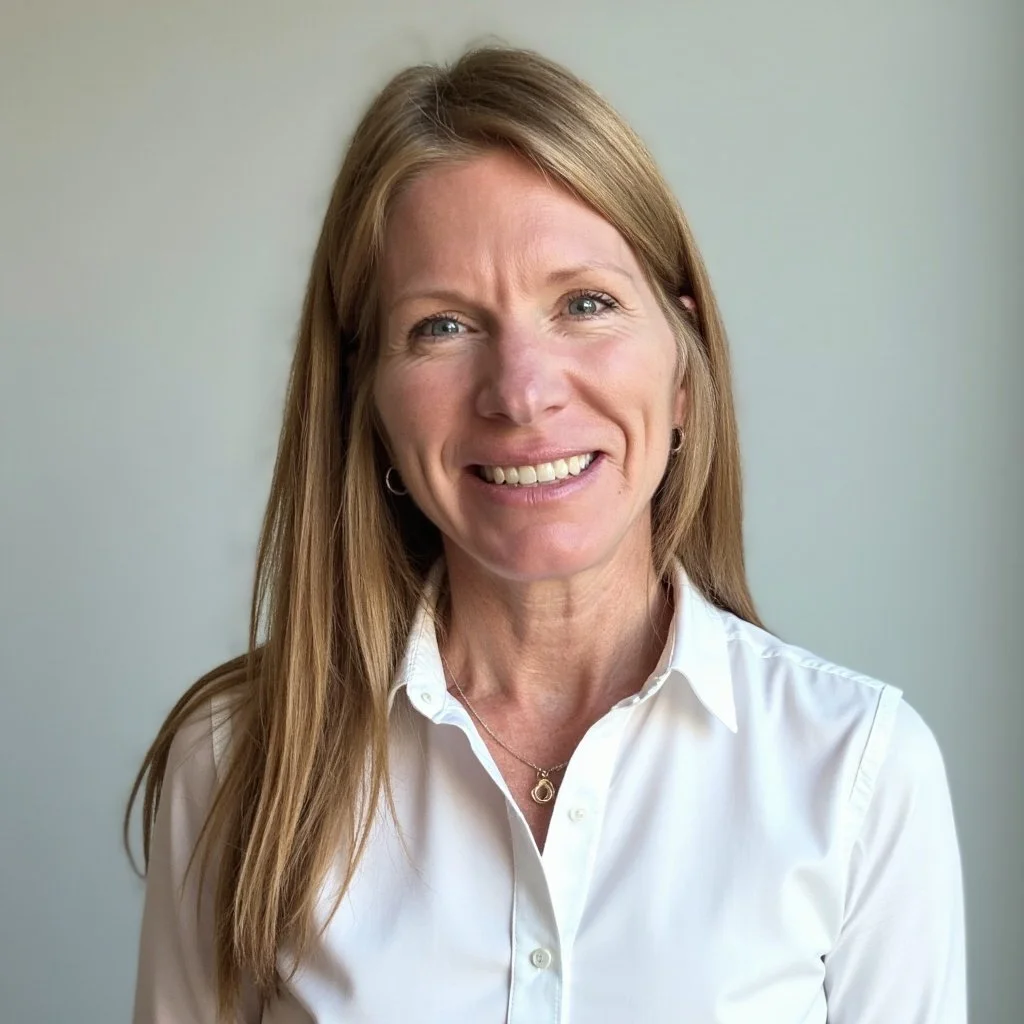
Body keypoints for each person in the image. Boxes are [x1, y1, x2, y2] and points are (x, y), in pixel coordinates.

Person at [126, 45, 966, 1024]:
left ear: (682, 369)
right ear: (370, 400)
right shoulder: (238, 762)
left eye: (584, 304)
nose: (522, 391)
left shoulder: (861, 771)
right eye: (442, 326)